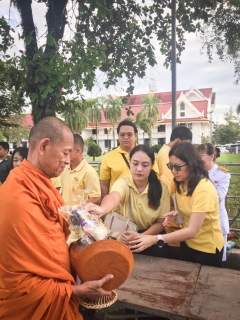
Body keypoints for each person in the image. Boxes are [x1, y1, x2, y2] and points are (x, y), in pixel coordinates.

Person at [0, 117, 113, 320]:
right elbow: (24, 271)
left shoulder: (39, 183)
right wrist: (75, 291)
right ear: (44, 146)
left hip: (54, 294)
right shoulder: (20, 194)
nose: (68, 161)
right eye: (65, 153)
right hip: (34, 301)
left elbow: (53, 241)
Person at [127, 142, 224, 267]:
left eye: (178, 167)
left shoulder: (204, 189)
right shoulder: (179, 183)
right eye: (170, 166)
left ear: (191, 164)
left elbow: (192, 231)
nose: (173, 171)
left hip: (207, 250)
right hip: (187, 243)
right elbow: (187, 206)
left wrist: (155, 239)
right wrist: (177, 212)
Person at [87, 144, 170, 257]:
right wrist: (102, 208)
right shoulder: (123, 183)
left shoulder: (162, 188)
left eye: (145, 165)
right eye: (135, 164)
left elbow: (161, 223)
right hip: (125, 237)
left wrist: (141, 237)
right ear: (130, 163)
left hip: (151, 238)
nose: (139, 169)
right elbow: (114, 197)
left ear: (152, 166)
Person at [156, 126, 192, 260]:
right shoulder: (168, 155)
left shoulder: (164, 152)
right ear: (177, 140)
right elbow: (171, 186)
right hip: (173, 219)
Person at [100, 120, 159, 199]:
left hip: (142, 202)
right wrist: (105, 204)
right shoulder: (108, 157)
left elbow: (156, 178)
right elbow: (104, 184)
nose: (125, 137)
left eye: (129, 134)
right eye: (122, 135)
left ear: (135, 135)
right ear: (118, 136)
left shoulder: (146, 155)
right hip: (117, 203)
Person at [197, 143, 230, 261]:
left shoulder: (223, 175)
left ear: (211, 156)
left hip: (217, 222)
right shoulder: (195, 174)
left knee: (218, 259)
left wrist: (205, 180)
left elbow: (219, 197)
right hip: (199, 223)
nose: (198, 159)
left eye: (201, 155)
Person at [61, 134, 101, 205]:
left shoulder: (89, 172)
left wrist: (78, 208)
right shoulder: (65, 168)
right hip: (63, 214)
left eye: (69, 150)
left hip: (76, 215)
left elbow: (96, 198)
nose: (65, 153)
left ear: (77, 151)